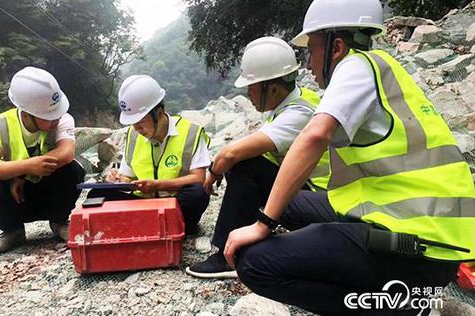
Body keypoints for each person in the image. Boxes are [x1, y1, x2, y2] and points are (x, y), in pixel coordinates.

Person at [223, 0, 475, 315]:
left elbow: (315, 135)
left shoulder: (356, 67)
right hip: (422, 229)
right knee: (287, 203)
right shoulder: (383, 69)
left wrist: (263, 224)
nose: (309, 65)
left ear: (337, 46)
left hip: (423, 247)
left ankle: (395, 307)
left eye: (312, 50)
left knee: (255, 264)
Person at [186, 36, 330, 279]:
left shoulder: (298, 114)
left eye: (251, 87)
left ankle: (226, 256)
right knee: (245, 162)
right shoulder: (290, 104)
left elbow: (231, 153)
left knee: (244, 163)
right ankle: (246, 231)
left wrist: (213, 173)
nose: (249, 94)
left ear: (271, 88)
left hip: (321, 201)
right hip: (314, 195)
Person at [0, 66, 84, 253]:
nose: (55, 120)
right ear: (26, 114)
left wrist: (23, 175)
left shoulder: (62, 119)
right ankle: (13, 231)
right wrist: (27, 166)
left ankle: (59, 222)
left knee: (72, 170)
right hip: (17, 199)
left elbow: (66, 153)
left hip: (48, 193)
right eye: (48, 117)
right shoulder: (1, 126)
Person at [87, 75, 210, 233]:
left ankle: (142, 227)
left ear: (159, 113)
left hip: (175, 202)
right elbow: (127, 177)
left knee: (198, 193)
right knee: (96, 194)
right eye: (133, 123)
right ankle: (160, 227)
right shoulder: (133, 135)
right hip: (142, 202)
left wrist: (158, 185)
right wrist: (117, 180)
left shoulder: (191, 133)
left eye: (140, 121)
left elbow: (199, 178)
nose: (137, 128)